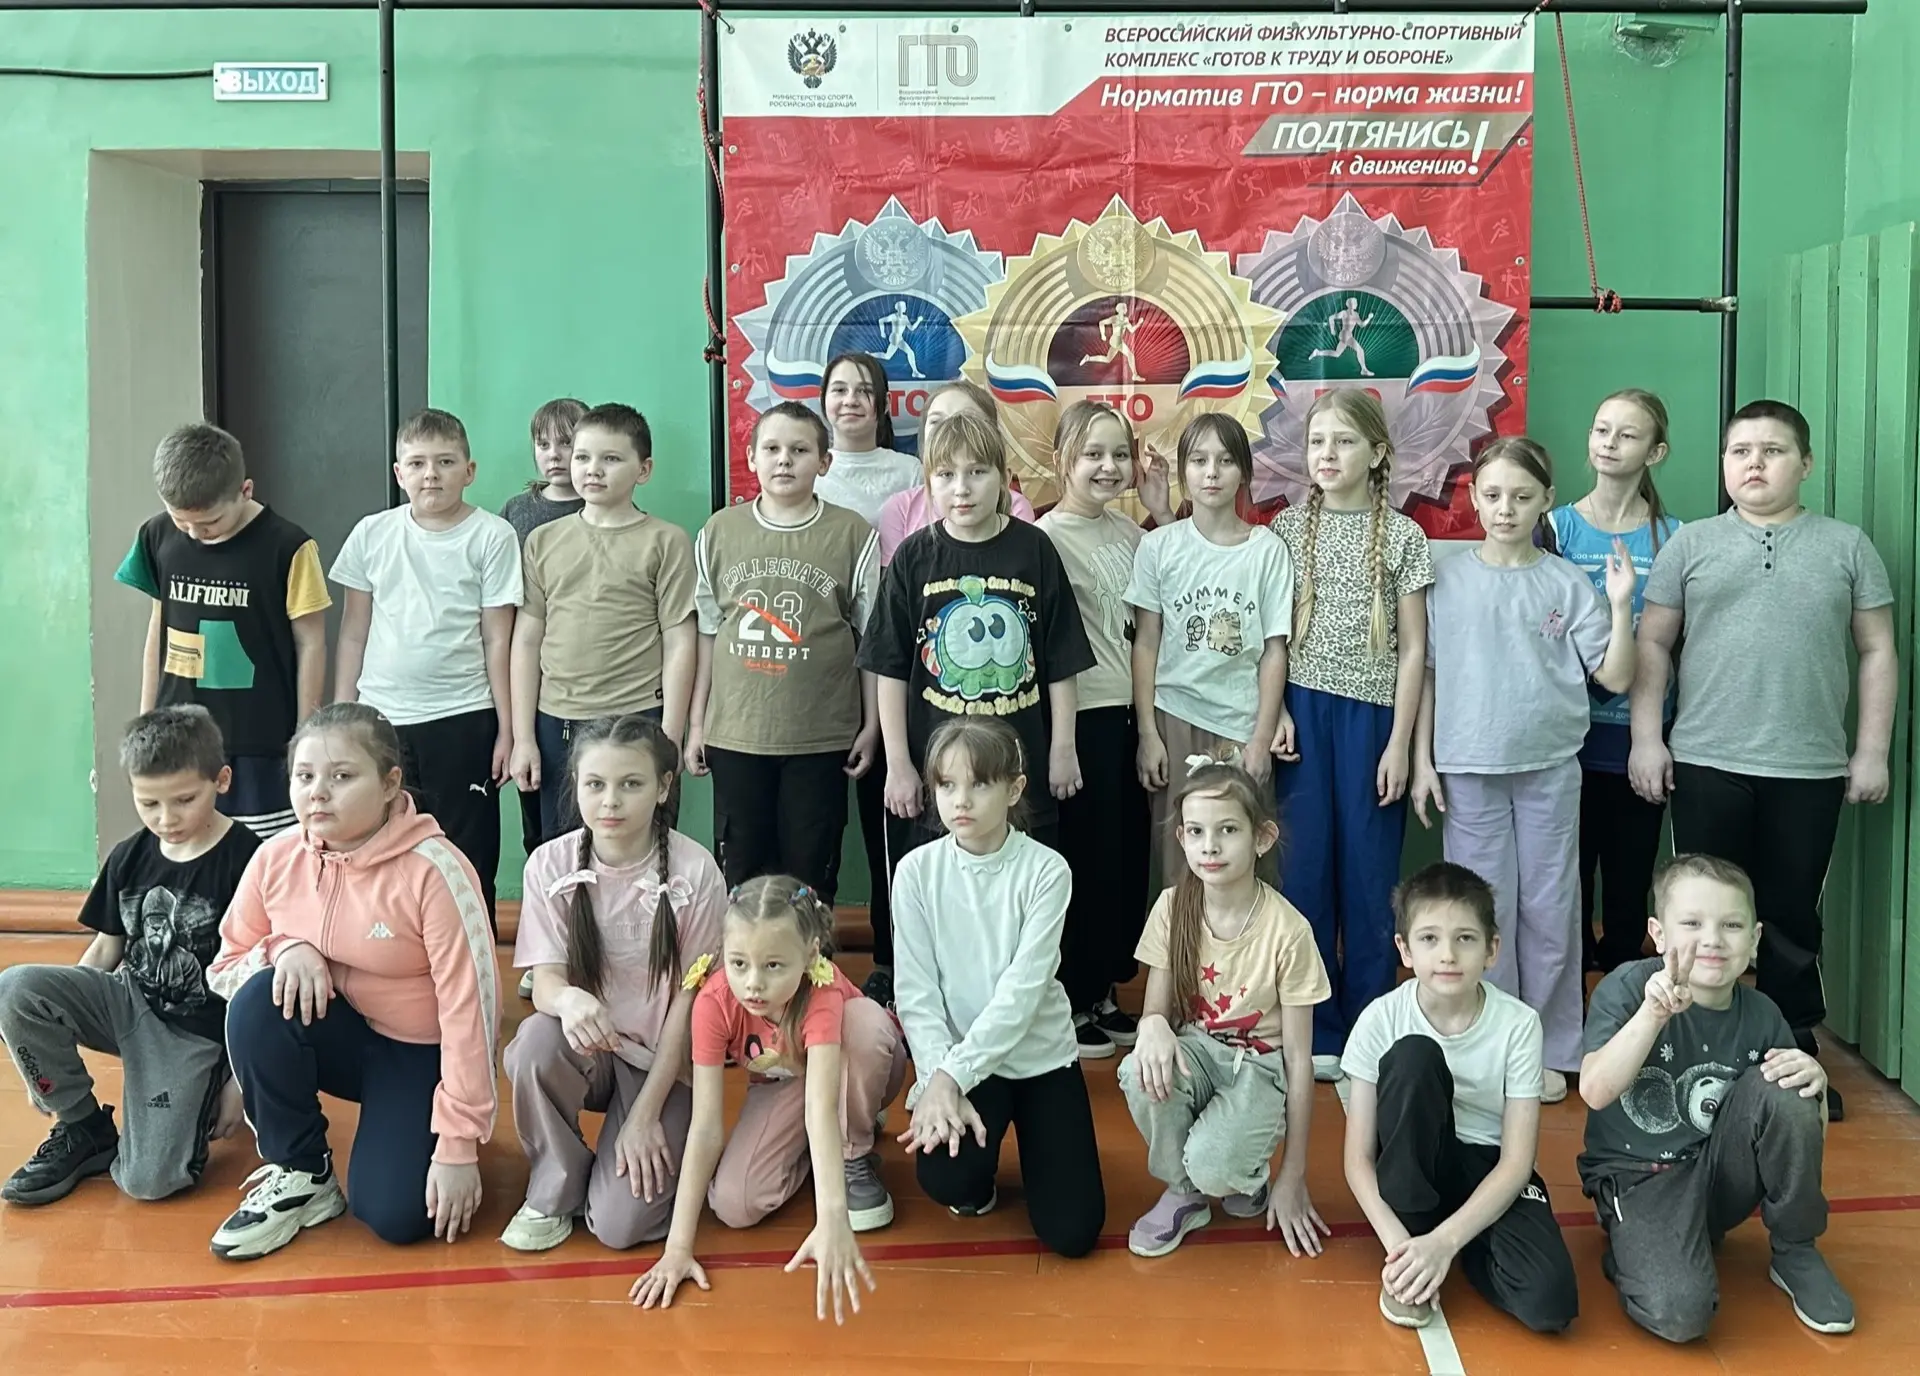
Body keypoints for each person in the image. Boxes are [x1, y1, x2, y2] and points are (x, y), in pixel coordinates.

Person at [1629, 399, 1896, 1123]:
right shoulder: (1691, 545)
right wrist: (1647, 738)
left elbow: (1877, 649)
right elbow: (1653, 644)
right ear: (1723, 463)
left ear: (1804, 464)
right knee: (1701, 916)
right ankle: (1693, 1051)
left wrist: (1871, 749)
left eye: (1772, 451)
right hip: (1706, 761)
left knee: (1789, 916)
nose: (1754, 463)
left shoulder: (1846, 546)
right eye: (1740, 451)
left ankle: (1791, 1052)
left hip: (1809, 767)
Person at [205, 703, 497, 1258]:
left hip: (418, 1055)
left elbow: (472, 1010)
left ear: (389, 785)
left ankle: (417, 1131)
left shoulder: (435, 871)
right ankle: (302, 1172)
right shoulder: (275, 858)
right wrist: (284, 948)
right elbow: (226, 966)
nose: (318, 793)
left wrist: (458, 1144)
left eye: (341, 776)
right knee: (257, 1001)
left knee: (396, 1215)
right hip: (340, 1040)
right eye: (304, 776)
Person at [1413, 437, 1636, 1103]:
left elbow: (1615, 675)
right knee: (1481, 912)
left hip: (1550, 767)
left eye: (1521, 496)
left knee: (1551, 906)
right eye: (1492, 495)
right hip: (1467, 766)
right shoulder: (1446, 578)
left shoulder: (1565, 582)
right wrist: (1422, 761)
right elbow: (1426, 677)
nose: (1506, 508)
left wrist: (1621, 604)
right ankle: (1489, 1046)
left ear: (1546, 501)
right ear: (1474, 500)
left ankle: (1550, 1046)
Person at [857, 411, 1094, 1003]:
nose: (961, 489)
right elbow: (890, 669)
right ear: (928, 484)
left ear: (1003, 478)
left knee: (1019, 904)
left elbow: (1060, 662)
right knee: (940, 907)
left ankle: (1022, 1012)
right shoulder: (913, 558)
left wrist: (1063, 748)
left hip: (1021, 771)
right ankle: (937, 1017)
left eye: (977, 473)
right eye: (946, 475)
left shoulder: (1034, 550)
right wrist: (899, 764)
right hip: (938, 780)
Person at [1580, 854, 1851, 1339]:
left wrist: (1815, 1081)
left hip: (1720, 1175)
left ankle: (1796, 1251)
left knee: (1791, 1085)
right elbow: (1595, 1091)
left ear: (1754, 939)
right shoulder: (1626, 989)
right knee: (1681, 1315)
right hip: (1641, 1179)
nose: (1712, 939)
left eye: (1731, 925)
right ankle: (1631, 1254)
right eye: (1692, 923)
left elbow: (1799, 1124)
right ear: (1658, 934)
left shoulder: (1763, 1013)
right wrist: (1652, 1016)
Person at [0, 707, 259, 1205]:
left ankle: (188, 1102)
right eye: (149, 803)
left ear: (221, 780)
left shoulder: (250, 860)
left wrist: (239, 1078)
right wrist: (44, 1043)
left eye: (185, 800)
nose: (167, 818)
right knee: (15, 988)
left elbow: (257, 980)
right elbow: (106, 948)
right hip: (125, 1003)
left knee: (149, 1182)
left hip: (194, 1034)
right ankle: (83, 1126)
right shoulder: (129, 855)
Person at [630, 876, 905, 1324]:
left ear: (810, 955)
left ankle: (852, 1147)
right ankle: (813, 1154)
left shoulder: (819, 989)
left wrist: (831, 1216)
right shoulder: (714, 1001)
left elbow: (819, 1109)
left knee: (864, 1027)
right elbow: (705, 1126)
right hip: (785, 1087)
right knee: (734, 1205)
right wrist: (677, 1247)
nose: (753, 984)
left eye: (773, 965)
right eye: (739, 963)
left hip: (852, 1068)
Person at [499, 714, 726, 1252]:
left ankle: (626, 1158)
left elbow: (690, 1006)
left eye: (631, 784)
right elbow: (546, 982)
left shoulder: (696, 873)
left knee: (621, 1227)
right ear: (576, 785)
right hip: (591, 1051)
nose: (611, 802)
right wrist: (568, 999)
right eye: (596, 785)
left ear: (663, 787)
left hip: (662, 1062)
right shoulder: (548, 865)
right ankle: (556, 1184)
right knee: (534, 1044)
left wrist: (644, 1116)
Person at [892, 718, 1104, 1258]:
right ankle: (978, 1176)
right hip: (962, 1062)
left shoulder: (1047, 871)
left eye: (980, 783)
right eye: (946, 785)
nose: (960, 800)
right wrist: (939, 1078)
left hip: (1039, 1061)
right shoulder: (915, 872)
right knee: (946, 1178)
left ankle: (1040, 1147)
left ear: (1014, 789)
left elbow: (1021, 995)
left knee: (1073, 1233)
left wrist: (948, 1077)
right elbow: (917, 993)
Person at [1271, 389, 1433, 1081]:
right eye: (1317, 442)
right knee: (1306, 873)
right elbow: (1270, 638)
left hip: (1372, 720)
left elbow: (1415, 650)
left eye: (1343, 441)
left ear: (1377, 452)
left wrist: (1399, 743)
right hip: (1303, 716)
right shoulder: (1284, 531)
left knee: (1370, 877)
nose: (1328, 454)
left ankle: (1369, 1020)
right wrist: (1275, 711)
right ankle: (1317, 1025)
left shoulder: (1402, 535)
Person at [1342, 862, 1577, 1333]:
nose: (1447, 954)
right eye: (1429, 939)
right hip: (1414, 1168)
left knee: (1550, 1305)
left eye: (1465, 938)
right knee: (1414, 1055)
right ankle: (1416, 1252)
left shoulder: (1519, 1024)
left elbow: (1516, 1162)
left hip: (1487, 1169)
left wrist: (1446, 1243)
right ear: (1404, 949)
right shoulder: (1380, 1019)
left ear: (1491, 949)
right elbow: (1358, 1160)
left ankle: (1459, 1241)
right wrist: (1400, 1249)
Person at [1118, 757, 1329, 1259]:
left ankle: (1245, 1168)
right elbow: (1155, 1012)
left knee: (1217, 1167)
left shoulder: (1289, 931)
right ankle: (1184, 1193)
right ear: (1182, 839)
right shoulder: (1172, 907)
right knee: (1137, 1071)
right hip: (1198, 1051)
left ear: (1262, 838)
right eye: (1196, 831)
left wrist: (1293, 1174)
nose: (1209, 846)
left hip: (1259, 1069)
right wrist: (1151, 1026)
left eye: (1228, 830)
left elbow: (1298, 1060)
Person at [330, 408, 522, 927]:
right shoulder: (371, 534)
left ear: (469, 470)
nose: (430, 474)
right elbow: (353, 632)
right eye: (416, 463)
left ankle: (471, 952)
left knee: (466, 850)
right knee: (380, 841)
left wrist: (507, 730)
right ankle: (388, 951)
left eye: (445, 462)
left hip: (464, 716)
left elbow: (498, 638)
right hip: (381, 719)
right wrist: (342, 716)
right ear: (399, 473)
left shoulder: (493, 536)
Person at [686, 402, 880, 902]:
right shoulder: (719, 532)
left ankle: (812, 957)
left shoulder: (853, 534)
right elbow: (707, 634)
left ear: (824, 462)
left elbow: (870, 641)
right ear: (751, 457)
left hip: (820, 738)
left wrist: (872, 724)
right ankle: (743, 956)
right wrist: (697, 723)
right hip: (737, 735)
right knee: (742, 875)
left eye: (799, 450)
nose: (784, 460)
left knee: (810, 877)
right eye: (771, 448)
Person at [115, 423, 331, 838]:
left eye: (210, 522)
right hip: (179, 736)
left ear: (245, 491)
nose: (195, 533)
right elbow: (158, 627)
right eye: (182, 521)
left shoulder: (288, 546)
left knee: (260, 853)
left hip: (259, 741)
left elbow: (312, 642)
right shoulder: (156, 535)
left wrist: (305, 734)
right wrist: (146, 717)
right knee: (187, 844)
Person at [1037, 400, 1171, 1059]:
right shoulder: (1044, 539)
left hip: (1130, 713)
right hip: (1080, 718)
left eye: (1120, 454)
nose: (1108, 467)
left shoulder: (1132, 534)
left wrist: (1161, 510)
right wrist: (1061, 743)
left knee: (1123, 860)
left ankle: (1106, 992)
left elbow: (1173, 594)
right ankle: (1072, 994)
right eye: (1093, 454)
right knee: (1083, 860)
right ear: (1062, 459)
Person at [510, 403, 696, 845]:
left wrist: (671, 733)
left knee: (642, 846)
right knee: (560, 852)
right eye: (582, 456)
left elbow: (680, 640)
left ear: (643, 469)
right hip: (558, 721)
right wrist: (523, 737)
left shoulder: (666, 541)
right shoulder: (542, 541)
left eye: (611, 458)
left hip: (638, 716)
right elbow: (527, 641)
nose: (593, 469)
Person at [1548, 390, 1682, 973]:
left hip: (1637, 743)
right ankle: (1570, 1023)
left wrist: (1651, 740)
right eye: (1602, 429)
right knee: (1568, 896)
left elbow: (1671, 645)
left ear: (1655, 452)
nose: (1609, 443)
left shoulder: (1674, 537)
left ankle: (1631, 1014)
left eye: (1627, 434)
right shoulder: (1554, 529)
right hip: (1566, 746)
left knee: (1628, 899)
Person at [1127, 415, 1294, 883]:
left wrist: (1260, 740)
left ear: (1244, 471)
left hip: (1240, 725)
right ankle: (1181, 938)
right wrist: (1148, 734)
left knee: (1240, 862)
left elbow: (1273, 651)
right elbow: (1146, 642)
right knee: (1181, 864)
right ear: (1184, 472)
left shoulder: (1267, 550)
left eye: (1225, 461)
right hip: (1174, 719)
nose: (1212, 472)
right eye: (1199, 461)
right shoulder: (1158, 547)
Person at [811, 352, 921, 1006]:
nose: (850, 400)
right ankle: (807, 959)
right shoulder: (811, 473)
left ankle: (890, 956)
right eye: (838, 389)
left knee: (887, 827)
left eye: (862, 391)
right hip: (822, 670)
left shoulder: (910, 474)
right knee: (820, 828)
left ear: (882, 405)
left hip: (895, 667)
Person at [501, 398, 588, 869]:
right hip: (529, 672)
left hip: (583, 673)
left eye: (566, 443)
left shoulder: (604, 506)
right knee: (537, 797)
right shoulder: (518, 511)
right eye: (543, 443)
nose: (554, 454)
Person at [874, 383, 1040, 566]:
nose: (951, 430)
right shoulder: (901, 509)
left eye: (966, 419)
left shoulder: (1016, 508)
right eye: (937, 422)